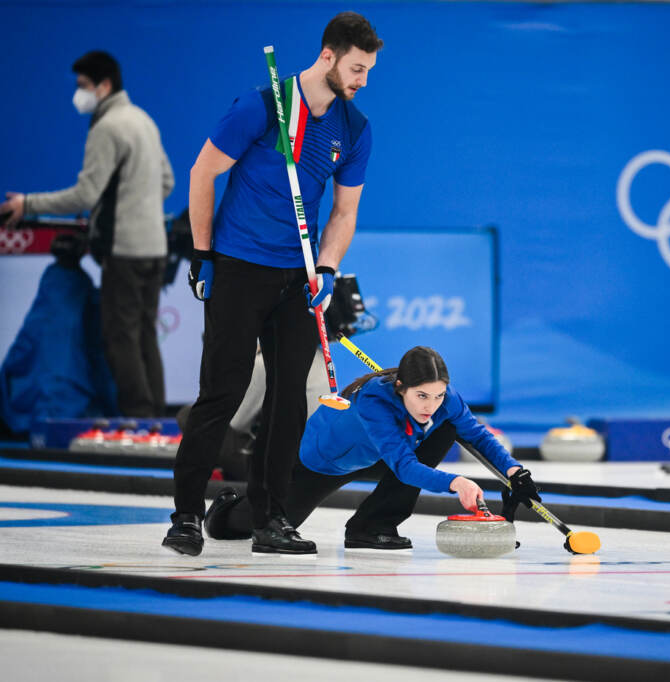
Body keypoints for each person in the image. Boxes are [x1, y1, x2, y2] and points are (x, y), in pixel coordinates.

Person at [162, 12, 383, 557]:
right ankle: (186, 516)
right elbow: (202, 173)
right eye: (356, 68)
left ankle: (271, 518)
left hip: (298, 277)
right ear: (328, 56)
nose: (362, 80)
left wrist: (327, 270)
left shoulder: (354, 129)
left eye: (369, 70)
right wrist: (203, 252)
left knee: (289, 403)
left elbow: (344, 212)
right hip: (238, 267)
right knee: (223, 392)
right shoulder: (263, 106)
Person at [203, 346, 543, 551]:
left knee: (450, 428)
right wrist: (457, 482)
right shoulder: (373, 402)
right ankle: (225, 510)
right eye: (421, 396)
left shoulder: (445, 401)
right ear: (400, 388)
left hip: (379, 455)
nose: (431, 405)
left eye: (438, 395)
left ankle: (372, 526)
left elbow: (479, 436)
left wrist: (516, 472)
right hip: (323, 460)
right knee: (256, 522)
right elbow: (405, 467)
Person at [1, 51, 174, 418]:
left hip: (125, 251)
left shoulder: (108, 127)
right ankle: (157, 422)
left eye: (82, 86)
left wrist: (28, 204)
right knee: (145, 336)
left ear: (104, 85)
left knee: (121, 340)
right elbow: (167, 181)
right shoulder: (143, 120)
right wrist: (137, 209)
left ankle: (138, 422)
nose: (77, 95)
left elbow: (84, 194)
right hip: (155, 247)